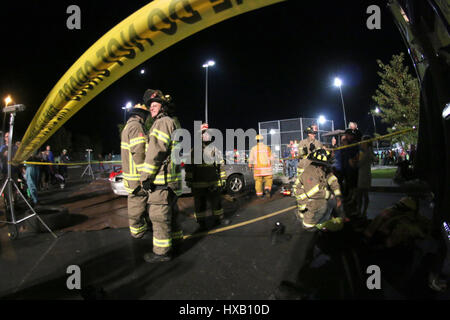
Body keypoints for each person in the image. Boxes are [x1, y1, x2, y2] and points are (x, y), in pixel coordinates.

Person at [140, 89, 183, 263]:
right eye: (150, 106)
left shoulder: (162, 123)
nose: (151, 108)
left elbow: (155, 153)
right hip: (169, 182)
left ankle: (161, 252)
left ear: (163, 107)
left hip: (160, 182)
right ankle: (176, 242)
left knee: (159, 217)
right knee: (170, 215)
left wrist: (145, 176)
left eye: (155, 105)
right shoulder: (170, 122)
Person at [184, 123, 230, 231]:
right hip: (198, 183)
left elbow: (220, 165)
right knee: (200, 204)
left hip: (213, 182)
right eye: (204, 134)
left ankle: (218, 219)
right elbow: (189, 167)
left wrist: (223, 179)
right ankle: (201, 223)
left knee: (216, 202)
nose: (206, 135)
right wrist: (189, 180)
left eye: (208, 134)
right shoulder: (194, 150)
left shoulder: (215, 149)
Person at [121, 103, 150, 239]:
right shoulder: (136, 126)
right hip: (136, 178)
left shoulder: (128, 126)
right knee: (137, 204)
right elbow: (138, 152)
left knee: (137, 204)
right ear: (142, 114)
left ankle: (139, 229)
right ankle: (137, 231)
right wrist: (145, 175)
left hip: (131, 176)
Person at [294, 148, 343, 229]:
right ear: (321, 164)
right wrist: (329, 195)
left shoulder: (323, 169)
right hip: (305, 196)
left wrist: (338, 196)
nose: (328, 166)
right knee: (321, 204)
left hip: (314, 194)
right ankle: (308, 224)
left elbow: (332, 180)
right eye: (327, 164)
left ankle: (323, 218)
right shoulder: (310, 172)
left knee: (330, 202)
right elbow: (313, 193)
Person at [355, 136, 375, 218]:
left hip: (364, 176)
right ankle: (361, 211)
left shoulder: (367, 153)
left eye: (363, 142)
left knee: (362, 195)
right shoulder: (365, 152)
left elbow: (360, 164)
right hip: (364, 175)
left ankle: (362, 211)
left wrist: (355, 162)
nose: (361, 143)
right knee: (363, 195)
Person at [248, 134, 273, 199]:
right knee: (268, 179)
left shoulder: (253, 148)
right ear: (263, 140)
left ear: (256, 141)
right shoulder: (267, 147)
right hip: (267, 168)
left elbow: (251, 158)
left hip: (258, 169)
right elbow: (271, 158)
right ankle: (267, 190)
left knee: (258, 181)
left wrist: (250, 165)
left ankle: (259, 194)